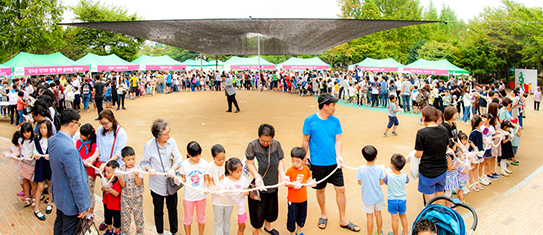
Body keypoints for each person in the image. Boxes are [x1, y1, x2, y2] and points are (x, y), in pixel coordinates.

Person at [302, 94, 359, 232]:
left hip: (334, 164)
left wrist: (339, 156)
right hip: (317, 163)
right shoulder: (310, 121)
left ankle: (343, 219)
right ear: (325, 106)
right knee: (320, 189)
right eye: (333, 105)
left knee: (341, 189)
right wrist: (303, 158)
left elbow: (338, 139)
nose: (334, 108)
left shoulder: (335, 121)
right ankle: (323, 214)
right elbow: (305, 140)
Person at [49, 108, 90, 235]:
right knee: (69, 230)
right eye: (78, 124)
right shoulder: (69, 149)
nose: (77, 127)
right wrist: (82, 206)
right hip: (70, 200)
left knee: (59, 224)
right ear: (72, 123)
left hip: (59, 194)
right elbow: (75, 181)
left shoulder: (53, 140)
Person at [139, 119, 182, 235]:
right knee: (158, 210)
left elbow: (178, 159)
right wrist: (150, 169)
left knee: (172, 209)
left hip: (171, 184)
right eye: (166, 134)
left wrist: (173, 169)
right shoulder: (149, 145)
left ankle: (174, 232)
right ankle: (159, 232)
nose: (169, 135)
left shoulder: (172, 142)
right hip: (156, 185)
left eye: (169, 132)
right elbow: (143, 163)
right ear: (158, 136)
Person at [245, 123, 288, 235]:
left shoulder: (276, 145)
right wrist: (257, 176)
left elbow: (280, 160)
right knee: (257, 209)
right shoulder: (252, 146)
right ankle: (257, 229)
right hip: (257, 184)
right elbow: (249, 163)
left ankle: (268, 227)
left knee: (271, 206)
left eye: (268, 141)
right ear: (259, 136)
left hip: (272, 182)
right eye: (263, 141)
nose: (265, 143)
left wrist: (282, 175)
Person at [414, 106, 449, 204]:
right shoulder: (444, 130)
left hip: (428, 172)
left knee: (430, 203)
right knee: (440, 198)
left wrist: (413, 154)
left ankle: (432, 218)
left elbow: (419, 153)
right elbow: (446, 148)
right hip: (442, 169)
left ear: (424, 117)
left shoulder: (422, 133)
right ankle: (440, 217)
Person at [180, 141, 209, 235]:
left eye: (199, 154)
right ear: (189, 154)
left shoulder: (204, 163)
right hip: (189, 197)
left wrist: (206, 187)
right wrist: (178, 180)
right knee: (187, 219)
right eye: (195, 155)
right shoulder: (184, 164)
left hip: (201, 196)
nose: (198, 157)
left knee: (201, 219)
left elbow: (206, 179)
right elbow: (183, 179)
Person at [285, 147, 315, 235]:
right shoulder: (290, 171)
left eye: (297, 161)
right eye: (293, 161)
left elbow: (308, 179)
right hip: (293, 200)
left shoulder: (306, 169)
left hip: (303, 199)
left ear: (303, 160)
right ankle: (293, 233)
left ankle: (299, 231)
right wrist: (293, 184)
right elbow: (286, 183)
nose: (295, 163)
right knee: (292, 218)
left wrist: (312, 182)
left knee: (301, 217)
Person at [356, 145, 385, 235]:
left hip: (367, 198)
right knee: (378, 214)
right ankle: (379, 232)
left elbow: (359, 182)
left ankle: (369, 234)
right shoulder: (380, 168)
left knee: (369, 216)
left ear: (364, 157)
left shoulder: (361, 169)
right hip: (378, 196)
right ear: (376, 157)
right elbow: (381, 182)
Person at [118, 146, 145, 235]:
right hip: (125, 198)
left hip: (137, 198)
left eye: (133, 159)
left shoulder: (138, 167)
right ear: (123, 160)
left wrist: (136, 175)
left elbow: (138, 183)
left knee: (139, 218)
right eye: (128, 159)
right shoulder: (121, 169)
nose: (131, 162)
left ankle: (140, 233)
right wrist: (120, 175)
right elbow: (123, 185)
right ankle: (125, 233)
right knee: (125, 219)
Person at [221, 157, 250, 235]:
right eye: (237, 172)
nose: (240, 173)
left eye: (241, 171)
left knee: (242, 226)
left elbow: (247, 192)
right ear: (230, 171)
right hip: (228, 205)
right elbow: (222, 194)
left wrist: (242, 192)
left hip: (241, 205)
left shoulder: (243, 180)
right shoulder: (225, 181)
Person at [33, 120, 54, 220]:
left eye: (45, 128)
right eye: (41, 128)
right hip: (40, 164)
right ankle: (36, 209)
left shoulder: (52, 139)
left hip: (50, 165)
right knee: (40, 187)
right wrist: (36, 155)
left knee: (50, 184)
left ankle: (50, 202)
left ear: (49, 129)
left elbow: (55, 153)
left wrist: (51, 156)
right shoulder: (36, 140)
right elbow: (34, 151)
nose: (42, 130)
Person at [384, 154, 409, 235]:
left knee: (394, 219)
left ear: (391, 165)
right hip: (402, 200)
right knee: (403, 216)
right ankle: (405, 233)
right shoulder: (404, 175)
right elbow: (407, 181)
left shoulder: (389, 175)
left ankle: (395, 234)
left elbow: (385, 182)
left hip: (392, 200)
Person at [78, 123, 98, 214]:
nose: (80, 135)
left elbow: (95, 159)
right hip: (80, 171)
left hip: (90, 172)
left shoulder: (94, 145)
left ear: (88, 135)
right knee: (81, 191)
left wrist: (88, 162)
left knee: (89, 192)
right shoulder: (78, 142)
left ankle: (90, 212)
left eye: (82, 134)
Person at [102, 161, 122, 235]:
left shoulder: (117, 181)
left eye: (109, 172)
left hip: (115, 205)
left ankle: (117, 231)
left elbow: (116, 194)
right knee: (108, 218)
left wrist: (110, 189)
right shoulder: (105, 178)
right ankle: (109, 230)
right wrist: (104, 187)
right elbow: (102, 189)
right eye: (106, 171)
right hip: (107, 202)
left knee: (117, 219)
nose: (106, 174)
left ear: (116, 172)